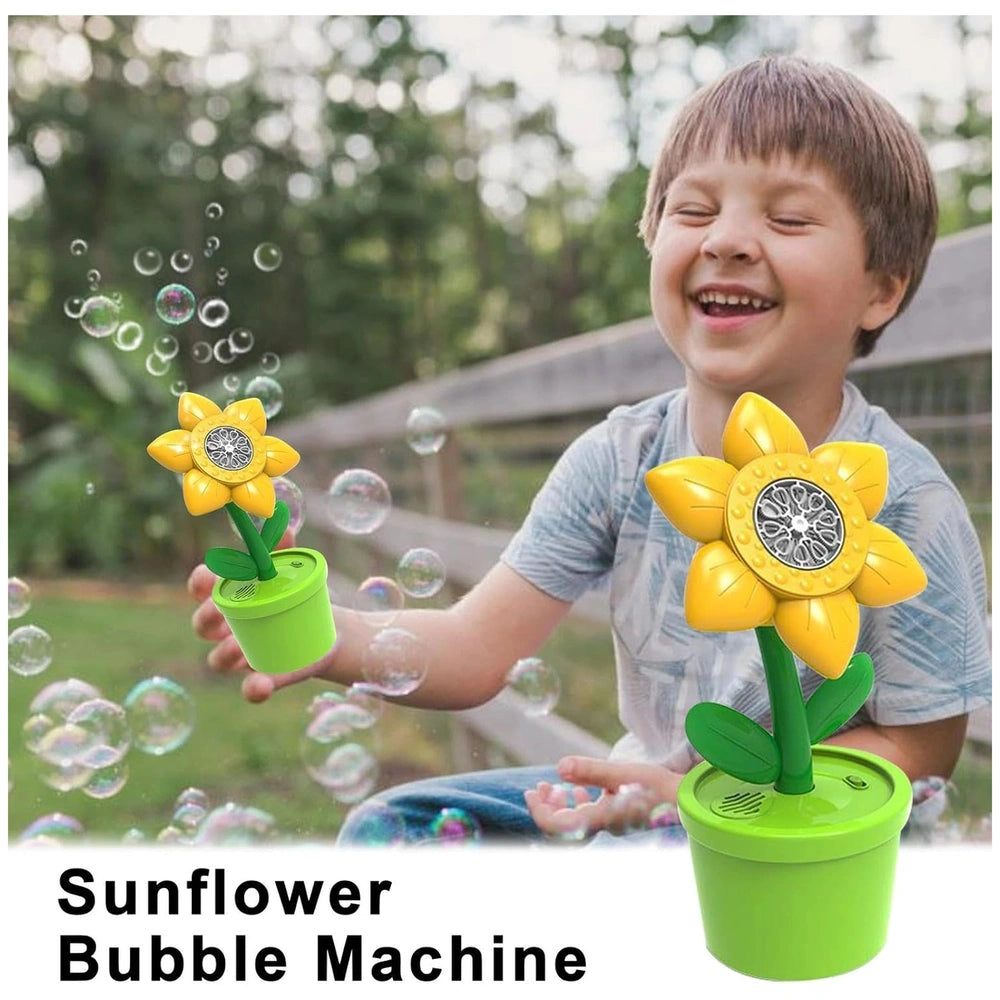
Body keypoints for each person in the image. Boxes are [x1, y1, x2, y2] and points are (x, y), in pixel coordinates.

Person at [189, 56, 991, 844]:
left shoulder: (902, 498)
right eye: (694, 210)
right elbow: (474, 646)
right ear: (653, 241)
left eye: (787, 219)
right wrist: (326, 637)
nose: (730, 240)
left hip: (814, 845)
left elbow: (925, 750)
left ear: (881, 288)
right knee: (392, 825)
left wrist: (699, 798)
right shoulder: (621, 459)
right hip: (639, 800)